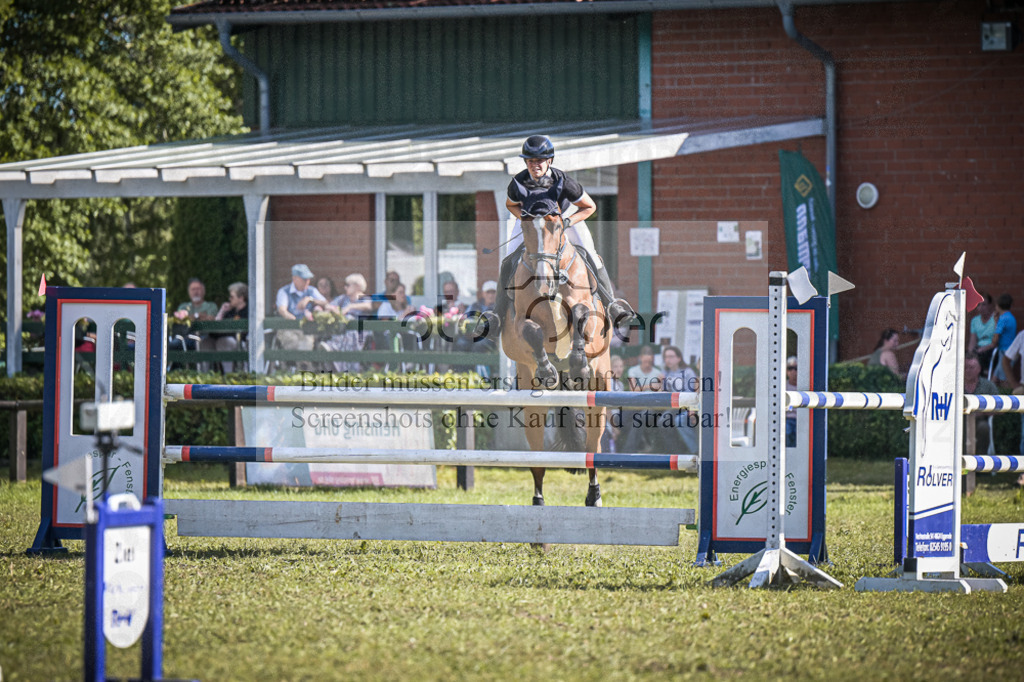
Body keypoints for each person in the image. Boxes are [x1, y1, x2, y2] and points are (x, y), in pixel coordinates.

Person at [488, 135, 634, 334]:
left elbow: (589, 207)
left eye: (539, 160)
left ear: (549, 160)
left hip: (565, 218)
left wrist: (567, 222)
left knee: (590, 255)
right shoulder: (518, 182)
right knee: (508, 259)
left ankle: (612, 304)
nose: (535, 165)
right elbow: (511, 205)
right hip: (532, 221)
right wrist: (525, 221)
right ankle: (497, 315)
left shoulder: (563, 181)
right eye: (530, 161)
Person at [617, 346, 664, 453]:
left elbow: (660, 392)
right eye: (645, 361)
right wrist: (649, 386)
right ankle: (643, 443)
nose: (647, 364)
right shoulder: (633, 371)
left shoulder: (658, 373)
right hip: (636, 404)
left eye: (649, 361)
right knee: (621, 419)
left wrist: (659, 385)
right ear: (640, 358)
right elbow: (633, 389)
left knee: (640, 418)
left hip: (651, 407)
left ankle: (628, 450)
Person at [324, 273, 374, 373]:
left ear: (357, 286)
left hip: (359, 331)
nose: (345, 287)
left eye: (348, 285)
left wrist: (350, 307)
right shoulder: (343, 298)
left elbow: (369, 306)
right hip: (343, 329)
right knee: (342, 332)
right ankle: (337, 362)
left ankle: (332, 348)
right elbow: (328, 306)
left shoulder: (365, 298)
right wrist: (333, 309)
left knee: (351, 333)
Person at [275, 264, 327, 351]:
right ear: (294, 279)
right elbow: (282, 310)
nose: (307, 282)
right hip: (289, 328)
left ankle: (304, 359)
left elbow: (325, 303)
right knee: (294, 342)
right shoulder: (284, 291)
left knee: (307, 343)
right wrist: (293, 319)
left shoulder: (311, 290)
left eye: (308, 279)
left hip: (307, 329)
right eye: (304, 279)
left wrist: (310, 299)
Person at [661, 345, 699, 455]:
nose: (668, 360)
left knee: (665, 421)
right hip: (672, 405)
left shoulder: (687, 372)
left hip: (686, 405)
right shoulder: (665, 373)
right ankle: (675, 452)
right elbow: (664, 392)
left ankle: (692, 451)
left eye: (671, 356)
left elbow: (691, 393)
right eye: (666, 357)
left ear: (679, 358)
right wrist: (662, 383)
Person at [965, 350, 998, 456]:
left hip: (980, 421)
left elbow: (1000, 408)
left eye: (971, 367)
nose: (968, 371)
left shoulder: (988, 386)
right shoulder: (955, 385)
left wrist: (983, 412)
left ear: (979, 369)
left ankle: (980, 461)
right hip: (959, 421)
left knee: (983, 428)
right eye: (965, 367)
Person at [211, 282, 248, 373]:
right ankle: (224, 374)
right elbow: (216, 327)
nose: (229, 299)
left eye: (232, 297)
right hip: (228, 341)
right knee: (209, 342)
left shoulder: (248, 311)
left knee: (224, 342)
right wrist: (222, 311)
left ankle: (231, 374)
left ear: (241, 298)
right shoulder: (230, 312)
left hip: (243, 343)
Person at [988, 294, 1016, 383]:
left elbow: (996, 337)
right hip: (1010, 350)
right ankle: (991, 389)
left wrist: (992, 343)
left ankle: (1007, 391)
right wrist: (996, 321)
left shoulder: (1003, 319)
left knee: (1004, 378)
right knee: (996, 375)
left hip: (1005, 351)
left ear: (998, 306)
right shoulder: (1011, 317)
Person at [968, 292, 997, 372]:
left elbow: (996, 341)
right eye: (978, 305)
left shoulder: (995, 319)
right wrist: (969, 354)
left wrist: (983, 349)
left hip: (991, 349)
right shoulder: (975, 321)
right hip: (979, 349)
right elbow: (972, 341)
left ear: (990, 305)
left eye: (984, 305)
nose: (981, 308)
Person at [785, 356, 799, 448]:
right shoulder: (784, 386)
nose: (793, 372)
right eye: (790, 368)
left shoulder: (804, 386)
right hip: (788, 418)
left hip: (801, 419)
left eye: (796, 368)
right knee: (787, 430)